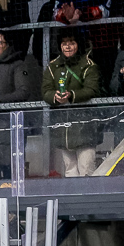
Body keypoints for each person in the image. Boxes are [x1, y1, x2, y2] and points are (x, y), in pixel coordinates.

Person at [42, 30, 102, 178]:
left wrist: (71, 96)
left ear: (78, 45)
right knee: (69, 170)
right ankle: (74, 200)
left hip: (85, 127)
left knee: (86, 169)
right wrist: (54, 96)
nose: (68, 47)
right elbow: (46, 90)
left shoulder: (89, 65)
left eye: (72, 43)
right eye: (64, 43)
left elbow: (92, 89)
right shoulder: (53, 67)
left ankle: (89, 200)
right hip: (63, 128)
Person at [53, 0, 119, 74]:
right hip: (74, 39)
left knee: (102, 73)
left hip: (102, 40)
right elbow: (56, 10)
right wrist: (66, 15)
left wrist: (80, 14)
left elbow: (106, 10)